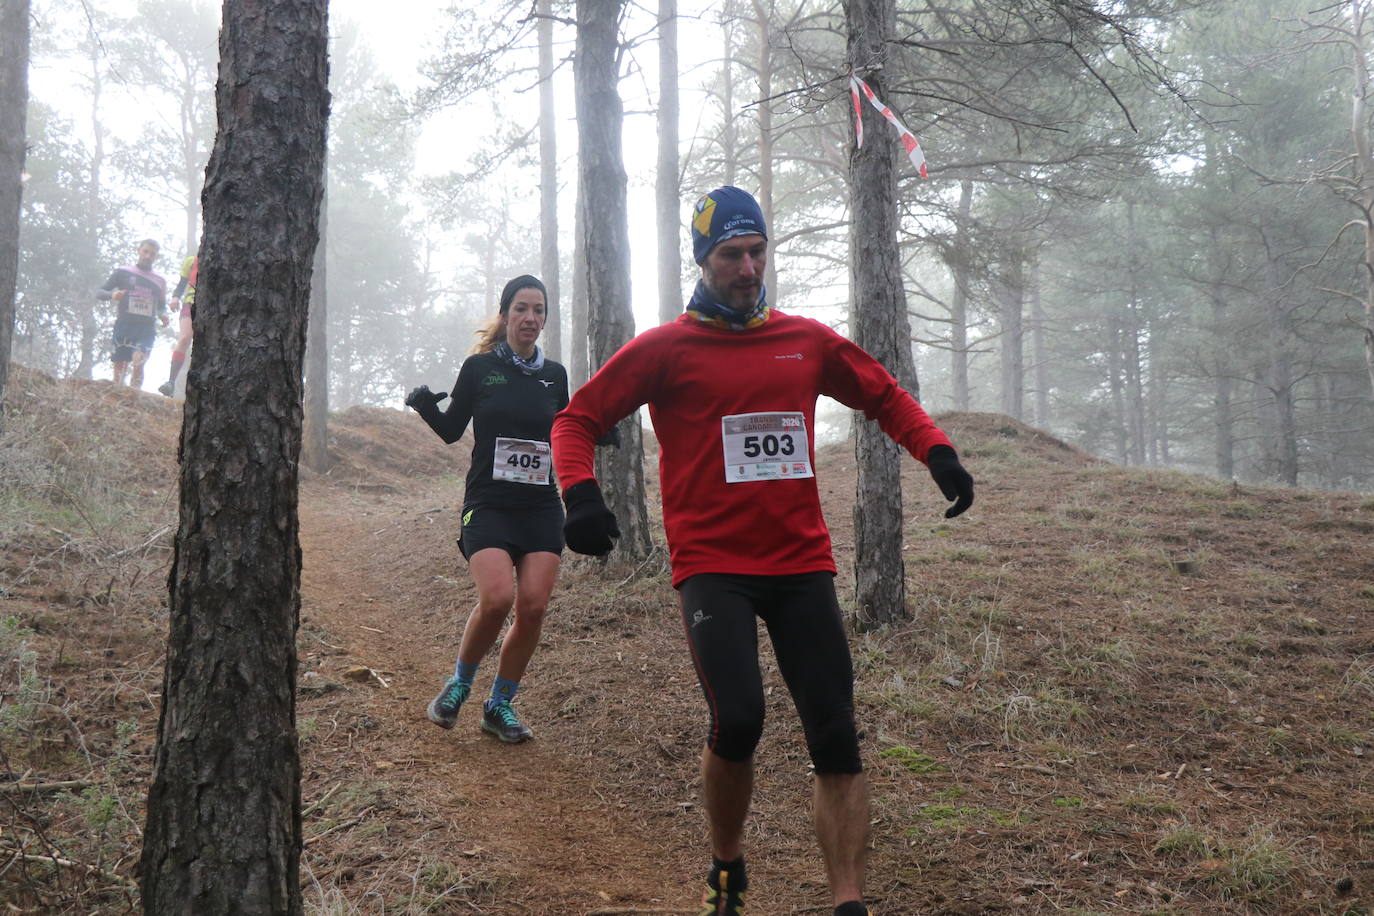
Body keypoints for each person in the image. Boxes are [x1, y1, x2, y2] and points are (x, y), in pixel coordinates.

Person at [550, 187, 975, 916]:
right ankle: (726, 863)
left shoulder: (804, 340)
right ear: (702, 260)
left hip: (801, 562)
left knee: (835, 729)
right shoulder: (666, 348)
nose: (748, 269)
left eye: (757, 252)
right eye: (730, 256)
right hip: (713, 566)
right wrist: (581, 498)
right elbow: (577, 419)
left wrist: (935, 451)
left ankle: (848, 902)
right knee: (739, 719)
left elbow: (882, 393)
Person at [405, 275, 569, 744]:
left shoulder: (554, 376)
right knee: (497, 599)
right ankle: (458, 685)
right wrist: (424, 407)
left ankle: (500, 705)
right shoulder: (479, 369)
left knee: (533, 607)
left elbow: (566, 428)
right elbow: (453, 430)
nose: (531, 318)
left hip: (540, 506)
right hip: (489, 504)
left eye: (539, 310)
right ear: (505, 314)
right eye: (522, 308)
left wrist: (598, 429)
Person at [96, 239, 169, 389]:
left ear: (157, 257)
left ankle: (134, 397)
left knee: (139, 361)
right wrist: (113, 295)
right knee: (120, 366)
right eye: (145, 251)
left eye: (152, 254)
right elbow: (99, 292)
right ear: (138, 251)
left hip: (146, 329)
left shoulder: (160, 281)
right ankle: (117, 399)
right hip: (124, 325)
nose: (148, 256)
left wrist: (163, 315)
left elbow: (161, 306)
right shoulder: (123, 272)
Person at [159, 252, 198, 397]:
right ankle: (171, 382)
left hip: (213, 307)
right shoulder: (192, 261)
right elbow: (182, 284)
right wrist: (175, 298)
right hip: (190, 304)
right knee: (185, 338)